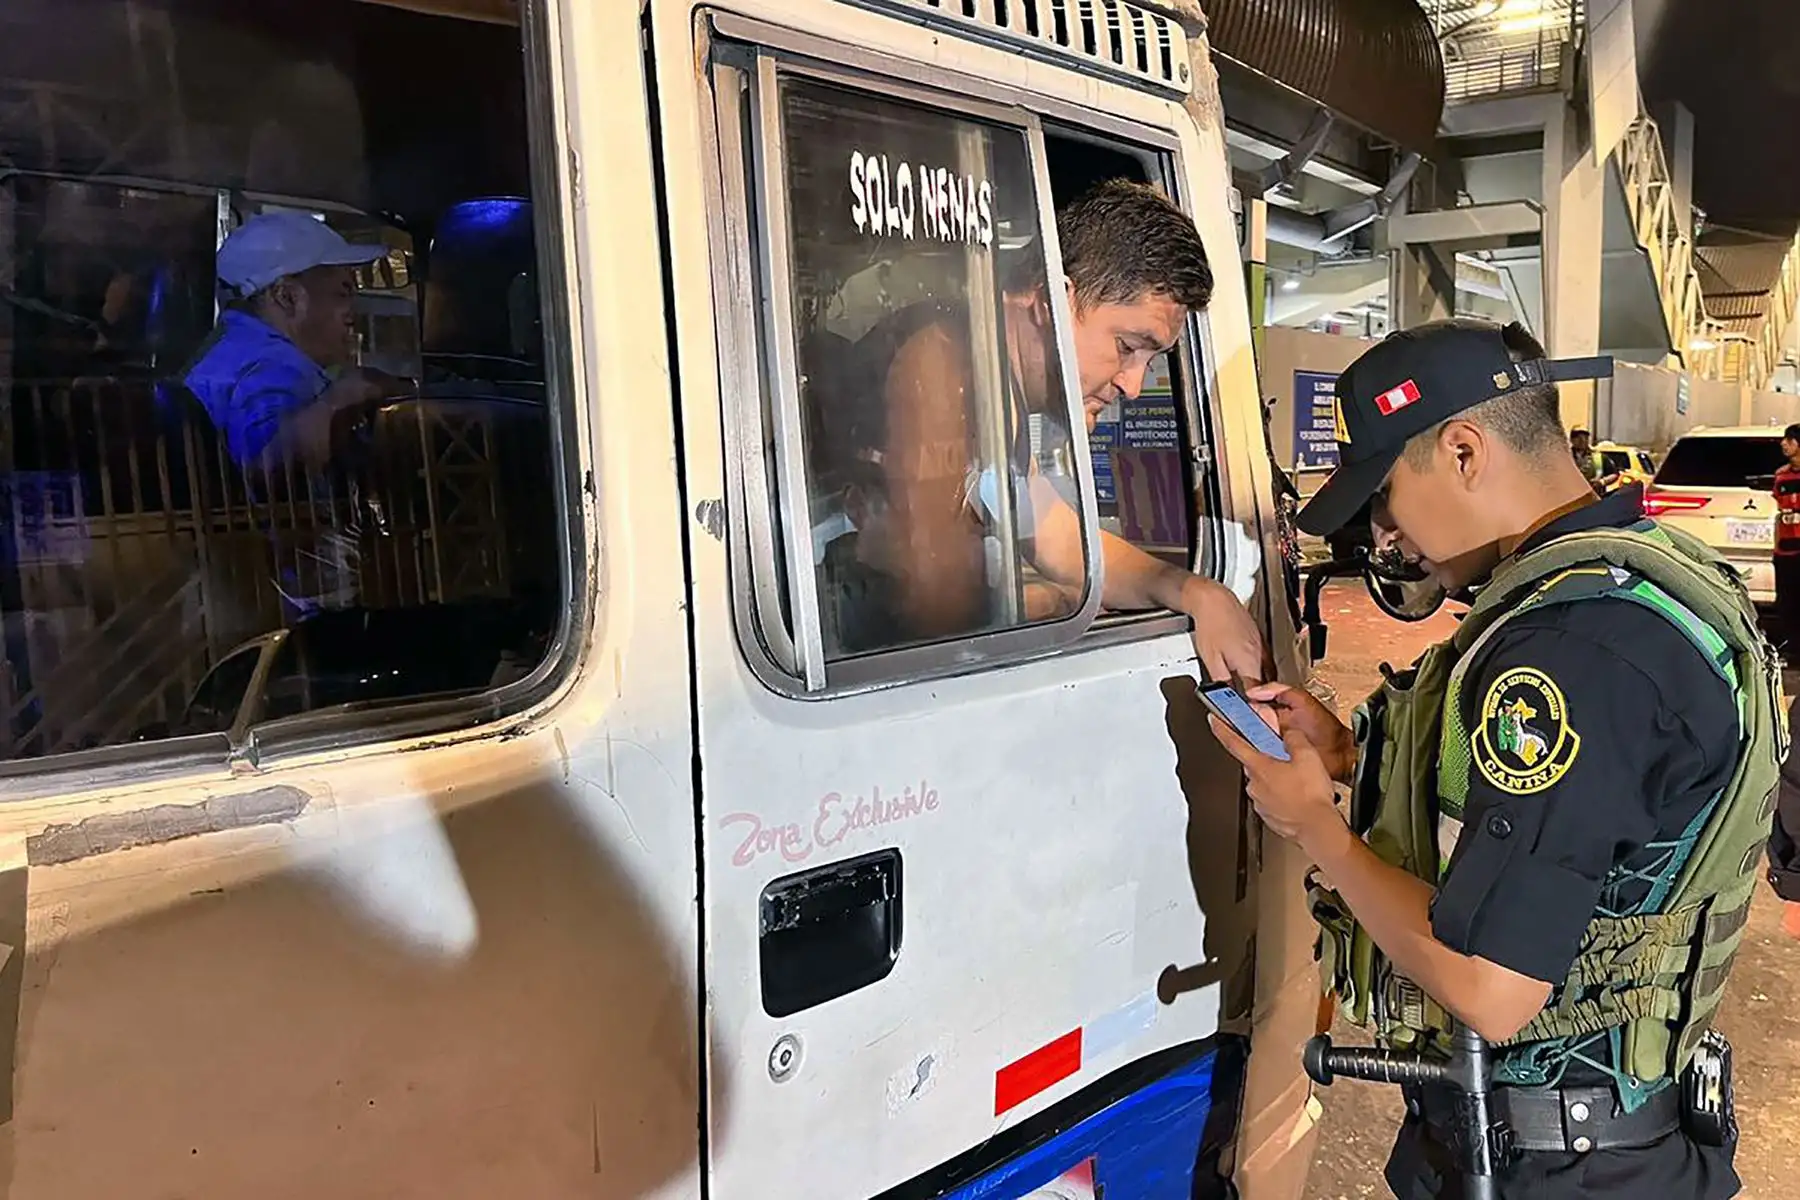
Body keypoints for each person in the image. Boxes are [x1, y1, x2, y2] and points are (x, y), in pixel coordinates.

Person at [1206, 319, 1782, 1199]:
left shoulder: (1570, 648)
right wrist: (1350, 758)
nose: (1390, 533)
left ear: (1465, 451)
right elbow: (1600, 820)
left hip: (1556, 1167)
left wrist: (1314, 828)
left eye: (1388, 494)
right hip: (1613, 1146)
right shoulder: (1649, 578)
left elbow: (1490, 984)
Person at [856, 180, 1263, 682]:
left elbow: (1055, 537)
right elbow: (933, 602)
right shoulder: (939, 367)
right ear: (1050, 299)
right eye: (1127, 346)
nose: (1133, 385)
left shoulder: (994, 383)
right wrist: (1056, 601)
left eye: (1150, 359)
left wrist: (1192, 591)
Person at [178, 212, 412, 613]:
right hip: (302, 614)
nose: (351, 311)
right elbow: (271, 466)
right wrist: (343, 400)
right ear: (286, 296)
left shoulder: (236, 352)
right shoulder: (267, 367)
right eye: (341, 293)